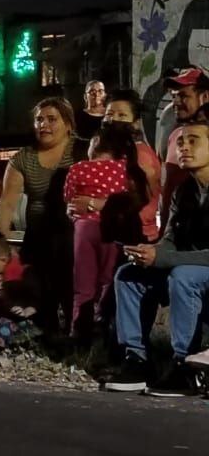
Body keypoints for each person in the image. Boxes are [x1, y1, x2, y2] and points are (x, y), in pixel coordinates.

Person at [104, 109, 209, 396]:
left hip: (194, 275)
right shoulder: (184, 191)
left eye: (193, 141)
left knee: (183, 274)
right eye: (180, 142)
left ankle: (184, 365)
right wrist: (151, 251)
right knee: (129, 275)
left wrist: (164, 258)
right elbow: (172, 239)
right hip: (184, 271)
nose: (183, 147)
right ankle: (136, 358)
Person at [0, 97, 87, 335]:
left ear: (68, 124)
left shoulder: (82, 152)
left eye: (51, 119)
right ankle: (46, 325)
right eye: (39, 120)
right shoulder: (24, 158)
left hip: (76, 230)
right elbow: (6, 204)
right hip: (39, 234)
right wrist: (0, 246)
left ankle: (77, 326)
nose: (43, 125)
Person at [63, 122, 148, 342]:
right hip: (113, 231)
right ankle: (104, 327)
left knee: (83, 283)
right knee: (107, 280)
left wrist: (84, 205)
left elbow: (69, 198)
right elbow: (133, 202)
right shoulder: (124, 169)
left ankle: (78, 331)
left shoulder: (77, 169)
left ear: (96, 143)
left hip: (83, 229)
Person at [101, 88, 161, 242]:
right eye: (109, 114)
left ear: (135, 122)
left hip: (138, 236)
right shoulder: (105, 150)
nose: (114, 120)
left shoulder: (142, 156)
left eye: (122, 115)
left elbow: (145, 200)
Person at [159, 67, 209, 229]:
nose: (176, 102)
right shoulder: (171, 124)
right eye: (173, 96)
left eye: (183, 96)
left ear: (205, 96)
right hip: (176, 228)